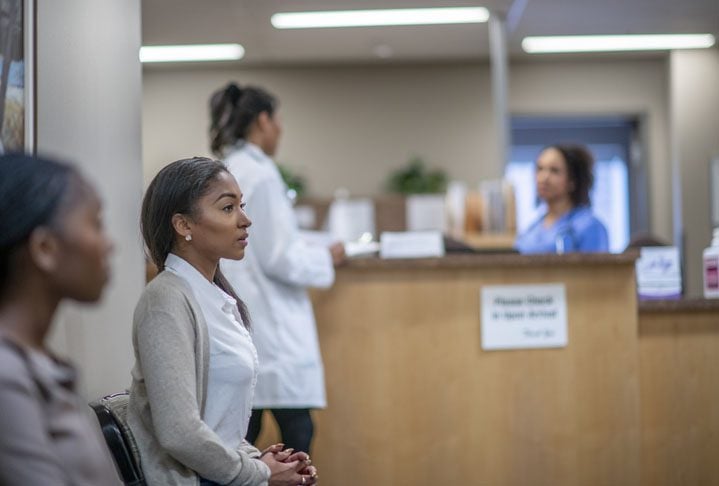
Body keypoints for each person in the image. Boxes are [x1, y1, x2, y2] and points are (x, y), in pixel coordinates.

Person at [127, 157, 318, 486]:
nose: (245, 220)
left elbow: (217, 427)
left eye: (241, 206)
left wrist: (260, 459)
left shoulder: (214, 297)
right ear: (183, 225)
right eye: (228, 208)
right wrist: (260, 473)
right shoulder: (166, 300)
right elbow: (179, 433)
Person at [209, 83, 345, 454]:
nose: (281, 128)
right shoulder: (261, 175)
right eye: (278, 118)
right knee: (294, 436)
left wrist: (312, 247)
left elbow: (268, 240)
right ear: (263, 120)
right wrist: (324, 258)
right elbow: (279, 256)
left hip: (248, 318)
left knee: (244, 433)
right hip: (271, 325)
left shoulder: (231, 169)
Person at [0, 153, 120, 485]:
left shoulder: (38, 362)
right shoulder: (6, 376)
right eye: (95, 223)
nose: (109, 245)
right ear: (45, 248)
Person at [515, 144, 609, 254]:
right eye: (540, 169)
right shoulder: (530, 231)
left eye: (554, 170)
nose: (544, 177)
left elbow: (598, 270)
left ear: (572, 181)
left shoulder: (590, 227)